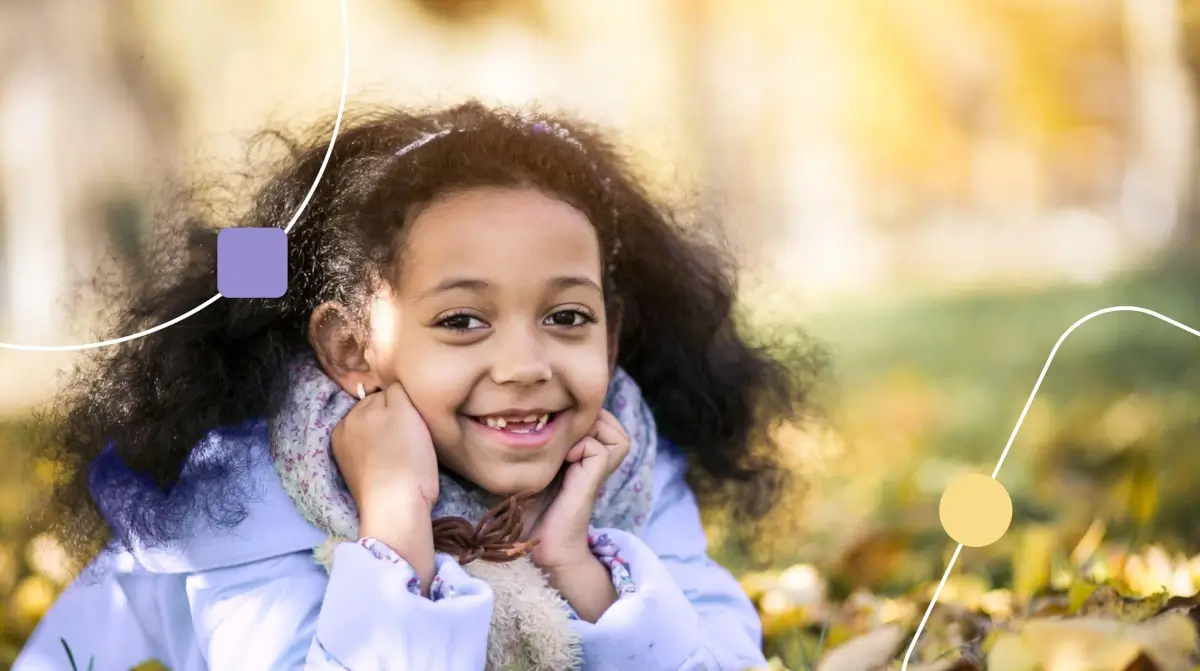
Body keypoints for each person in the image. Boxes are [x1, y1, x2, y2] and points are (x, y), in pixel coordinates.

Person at [14, 101, 820, 670]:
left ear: (615, 326)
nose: (525, 364)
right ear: (349, 347)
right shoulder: (244, 503)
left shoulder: (623, 461)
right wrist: (396, 525)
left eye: (568, 316)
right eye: (463, 321)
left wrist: (578, 563)